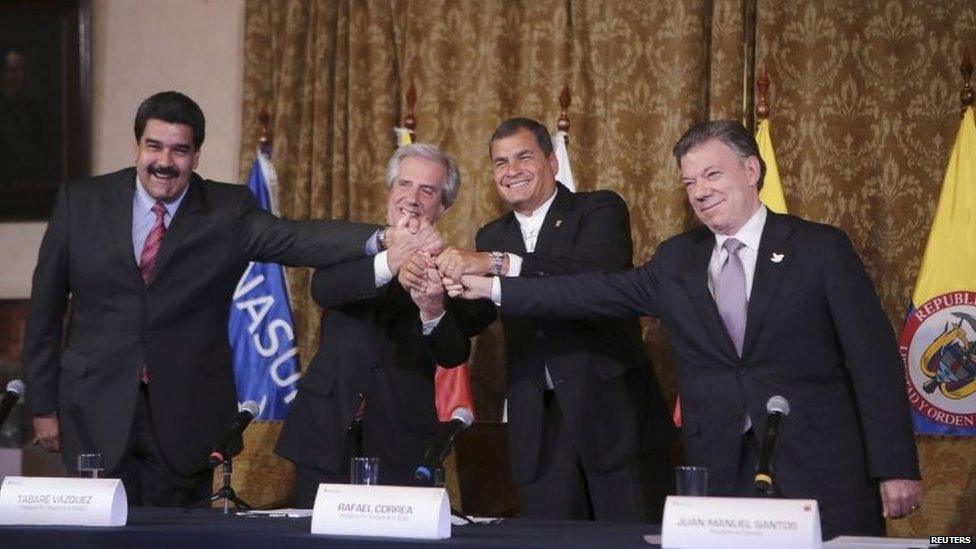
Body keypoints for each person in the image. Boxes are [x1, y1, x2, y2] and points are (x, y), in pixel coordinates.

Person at [456, 120, 921, 538]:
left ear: (752, 171)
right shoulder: (678, 259)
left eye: (712, 175)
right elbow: (589, 292)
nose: (699, 191)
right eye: (689, 181)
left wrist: (896, 467)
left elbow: (874, 364)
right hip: (722, 475)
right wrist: (494, 288)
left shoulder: (820, 249)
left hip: (822, 470)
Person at [21, 91, 437, 506]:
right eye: (155, 146)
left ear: (196, 156)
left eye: (180, 150)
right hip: (93, 409)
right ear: (137, 147)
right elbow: (45, 309)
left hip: (186, 416)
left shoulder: (227, 209)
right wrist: (43, 405)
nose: (165, 161)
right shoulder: (81, 202)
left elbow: (295, 238)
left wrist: (384, 237)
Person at [407, 118, 673, 522]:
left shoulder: (599, 208)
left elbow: (590, 274)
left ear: (551, 161)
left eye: (523, 157)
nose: (511, 171)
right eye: (500, 163)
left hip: (614, 422)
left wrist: (494, 263)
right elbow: (458, 339)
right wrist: (433, 306)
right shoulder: (492, 233)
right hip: (541, 431)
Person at [276, 143, 480, 506]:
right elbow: (323, 288)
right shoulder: (354, 245)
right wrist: (392, 260)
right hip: (325, 433)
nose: (412, 198)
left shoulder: (454, 269)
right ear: (390, 191)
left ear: (444, 206)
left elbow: (452, 353)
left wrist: (432, 308)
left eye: (427, 190)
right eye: (404, 184)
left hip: (400, 440)